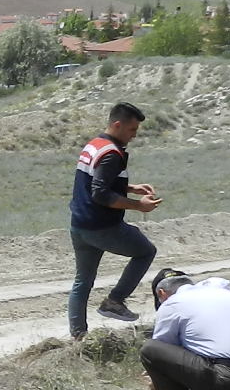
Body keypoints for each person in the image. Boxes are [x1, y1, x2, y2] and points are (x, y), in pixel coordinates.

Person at [67, 102, 162, 338]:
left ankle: (78, 336)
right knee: (145, 252)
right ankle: (115, 300)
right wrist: (138, 205)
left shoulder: (95, 144)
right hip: (102, 227)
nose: (134, 135)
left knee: (83, 281)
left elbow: (96, 182)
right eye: (131, 130)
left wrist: (130, 188)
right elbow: (100, 193)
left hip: (79, 225)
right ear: (117, 125)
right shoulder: (112, 153)